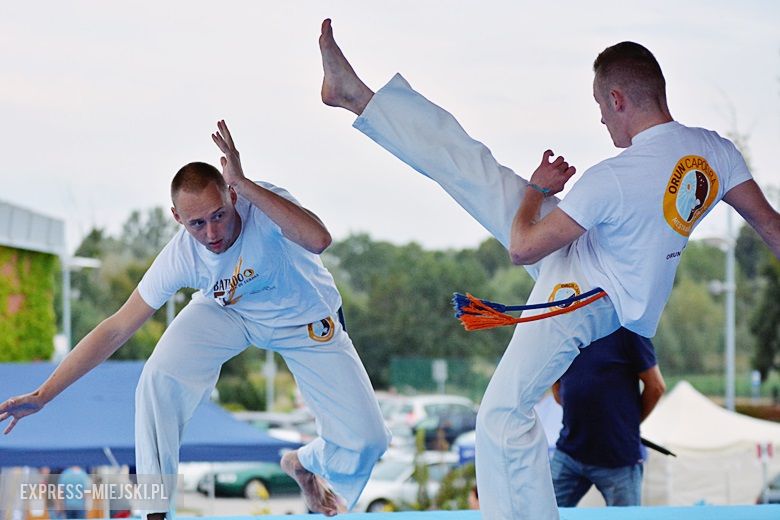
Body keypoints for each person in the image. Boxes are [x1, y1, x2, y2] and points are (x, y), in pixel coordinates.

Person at [317, 18, 780, 519]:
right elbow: (771, 227)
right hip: (593, 260)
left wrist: (538, 191)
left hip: (580, 294)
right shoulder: (715, 150)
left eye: (602, 107)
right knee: (475, 169)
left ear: (619, 98)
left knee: (501, 414)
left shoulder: (613, 178)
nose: (603, 121)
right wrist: (534, 195)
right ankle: (357, 96)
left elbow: (522, 247)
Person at [0, 120, 390, 518]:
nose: (211, 233)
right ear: (177, 218)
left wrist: (246, 184)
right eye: (196, 223)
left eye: (219, 215)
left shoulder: (264, 204)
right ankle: (155, 511)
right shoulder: (182, 254)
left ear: (232, 197)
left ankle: (304, 462)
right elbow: (117, 327)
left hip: (304, 320)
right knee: (158, 377)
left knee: (369, 440)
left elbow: (319, 240)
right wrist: (43, 395)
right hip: (229, 313)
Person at [550, 328, 665, 507]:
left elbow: (656, 387)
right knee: (541, 511)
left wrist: (630, 424)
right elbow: (554, 378)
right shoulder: (569, 328)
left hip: (618, 459)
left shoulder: (629, 330)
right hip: (570, 452)